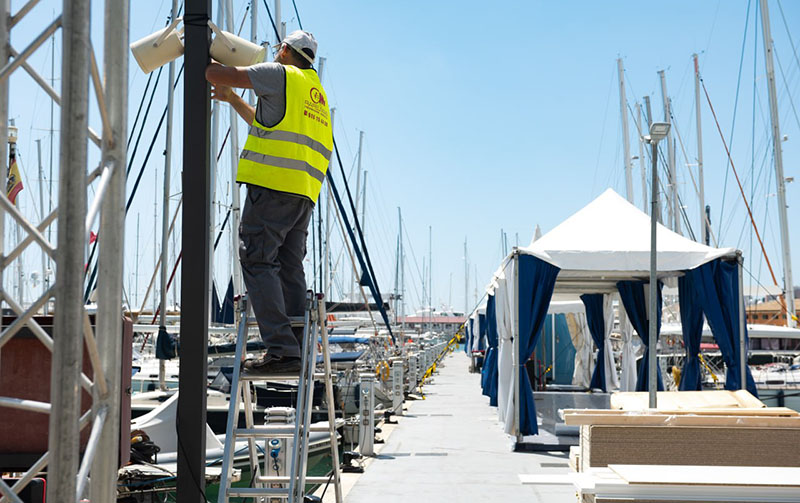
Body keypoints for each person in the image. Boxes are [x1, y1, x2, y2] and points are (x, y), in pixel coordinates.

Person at [205, 30, 333, 373]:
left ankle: (280, 348)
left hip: (272, 188)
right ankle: (296, 351)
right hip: (302, 195)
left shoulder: (279, 73)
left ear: (286, 51)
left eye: (279, 50)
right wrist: (233, 100)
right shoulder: (314, 92)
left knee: (258, 260)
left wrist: (204, 49)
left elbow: (217, 73)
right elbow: (268, 127)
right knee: (289, 268)